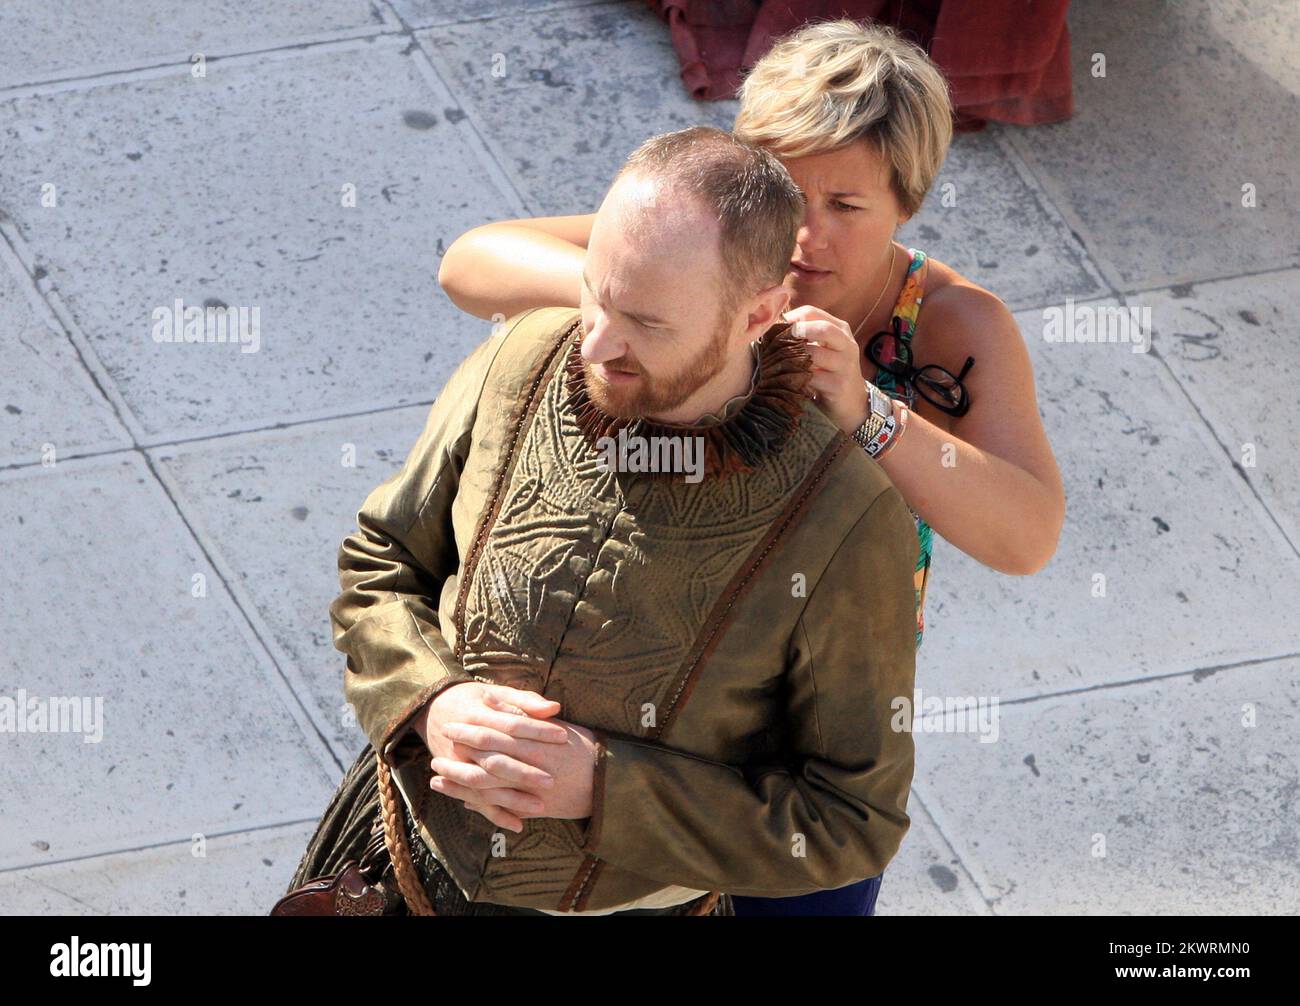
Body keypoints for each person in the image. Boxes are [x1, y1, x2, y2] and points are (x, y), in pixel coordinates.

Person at [435, 19, 1065, 916]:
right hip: (642, 675)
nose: (805, 235)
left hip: (806, 725)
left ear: (908, 206)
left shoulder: (952, 326)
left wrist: (869, 412)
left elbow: (1028, 534)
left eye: (847, 207)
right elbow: (470, 260)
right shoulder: (702, 251)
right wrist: (648, 307)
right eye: (785, 194)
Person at [283, 125, 920, 916]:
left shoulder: (846, 520)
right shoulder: (520, 359)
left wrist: (607, 787)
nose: (597, 343)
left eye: (649, 324)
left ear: (761, 313)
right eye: (595, 293)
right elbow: (382, 561)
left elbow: (849, 821)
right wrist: (430, 700)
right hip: (388, 868)